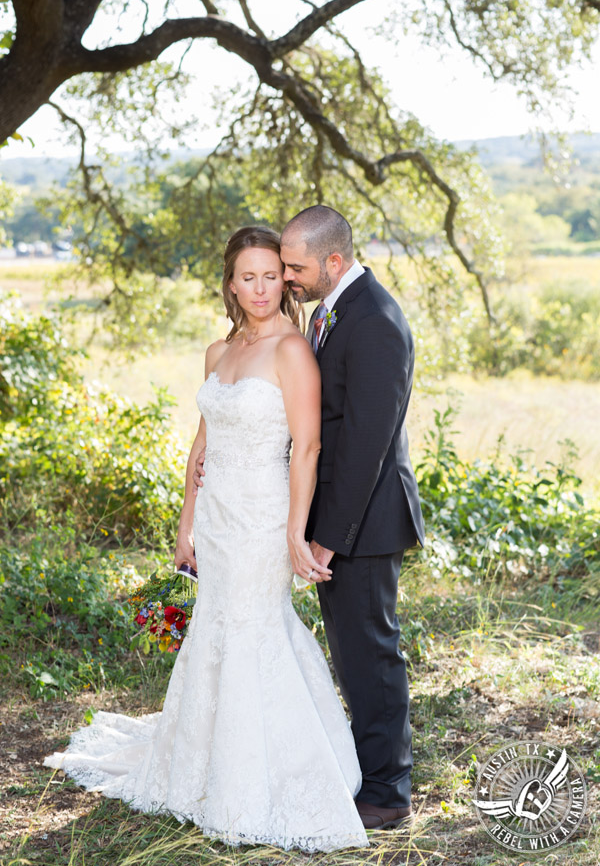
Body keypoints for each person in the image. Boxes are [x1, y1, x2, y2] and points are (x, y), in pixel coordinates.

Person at [43, 226, 368, 853]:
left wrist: (297, 533)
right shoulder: (219, 353)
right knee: (215, 627)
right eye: (249, 277)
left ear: (284, 279)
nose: (262, 288)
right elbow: (202, 443)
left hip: (263, 518)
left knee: (253, 628)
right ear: (230, 283)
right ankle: (200, 765)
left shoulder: (292, 351)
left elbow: (308, 448)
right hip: (217, 517)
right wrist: (185, 525)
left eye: (272, 275)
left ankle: (257, 779)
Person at [196, 207, 425, 830]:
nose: (285, 281)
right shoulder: (335, 312)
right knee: (349, 653)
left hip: (365, 522)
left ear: (332, 261)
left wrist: (326, 536)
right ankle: (352, 766)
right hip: (330, 519)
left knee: (370, 653)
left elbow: (365, 445)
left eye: (292, 269)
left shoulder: (375, 321)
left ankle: (385, 791)